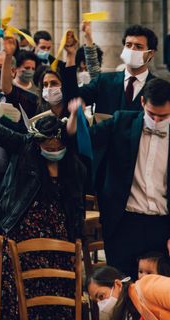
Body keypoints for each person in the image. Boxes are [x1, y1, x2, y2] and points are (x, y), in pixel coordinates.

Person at [0, 72, 86, 320]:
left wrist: (78, 241)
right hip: (22, 231)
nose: (53, 150)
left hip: (59, 238)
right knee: (20, 293)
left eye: (57, 146)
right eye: (47, 146)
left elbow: (77, 205)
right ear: (37, 143)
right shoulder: (24, 145)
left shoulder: (72, 164)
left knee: (57, 294)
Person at [67, 78, 170, 279]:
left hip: (162, 226)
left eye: (163, 116)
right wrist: (74, 115)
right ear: (142, 103)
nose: (156, 121)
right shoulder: (122, 121)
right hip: (124, 223)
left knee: (159, 297)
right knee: (120, 287)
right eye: (151, 115)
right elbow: (84, 141)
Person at [62, 25, 158, 115]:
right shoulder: (104, 81)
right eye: (128, 45)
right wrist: (71, 55)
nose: (132, 50)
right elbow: (72, 98)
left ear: (150, 53)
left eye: (138, 47)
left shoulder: (158, 88)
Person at [87, 266, 170, 320]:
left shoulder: (145, 288)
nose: (100, 305)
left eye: (101, 296)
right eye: (96, 301)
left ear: (118, 285)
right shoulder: (125, 312)